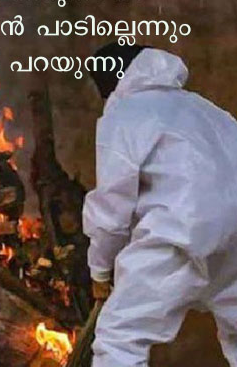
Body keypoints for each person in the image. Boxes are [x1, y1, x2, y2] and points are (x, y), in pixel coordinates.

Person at [84, 43, 237, 367]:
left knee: (120, 337)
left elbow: (112, 208)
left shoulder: (124, 115)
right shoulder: (205, 109)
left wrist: (100, 269)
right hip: (234, 239)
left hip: (179, 233)